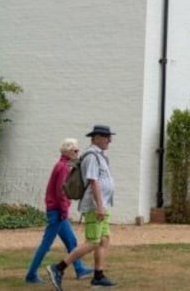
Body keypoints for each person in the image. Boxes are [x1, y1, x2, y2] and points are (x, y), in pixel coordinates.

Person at [47, 124, 117, 290]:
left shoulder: (100, 156)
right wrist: (99, 206)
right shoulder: (92, 156)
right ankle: (58, 268)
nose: (110, 140)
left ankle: (98, 276)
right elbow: (93, 181)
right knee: (93, 242)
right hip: (95, 206)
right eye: (107, 137)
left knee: (104, 239)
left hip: (104, 205)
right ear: (97, 138)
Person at [24, 138, 94, 284]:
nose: (77, 153)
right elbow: (61, 192)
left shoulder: (62, 165)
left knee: (71, 240)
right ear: (67, 151)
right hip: (57, 211)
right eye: (75, 150)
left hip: (56, 210)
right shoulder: (63, 167)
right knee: (46, 244)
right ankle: (31, 274)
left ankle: (80, 268)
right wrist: (64, 211)